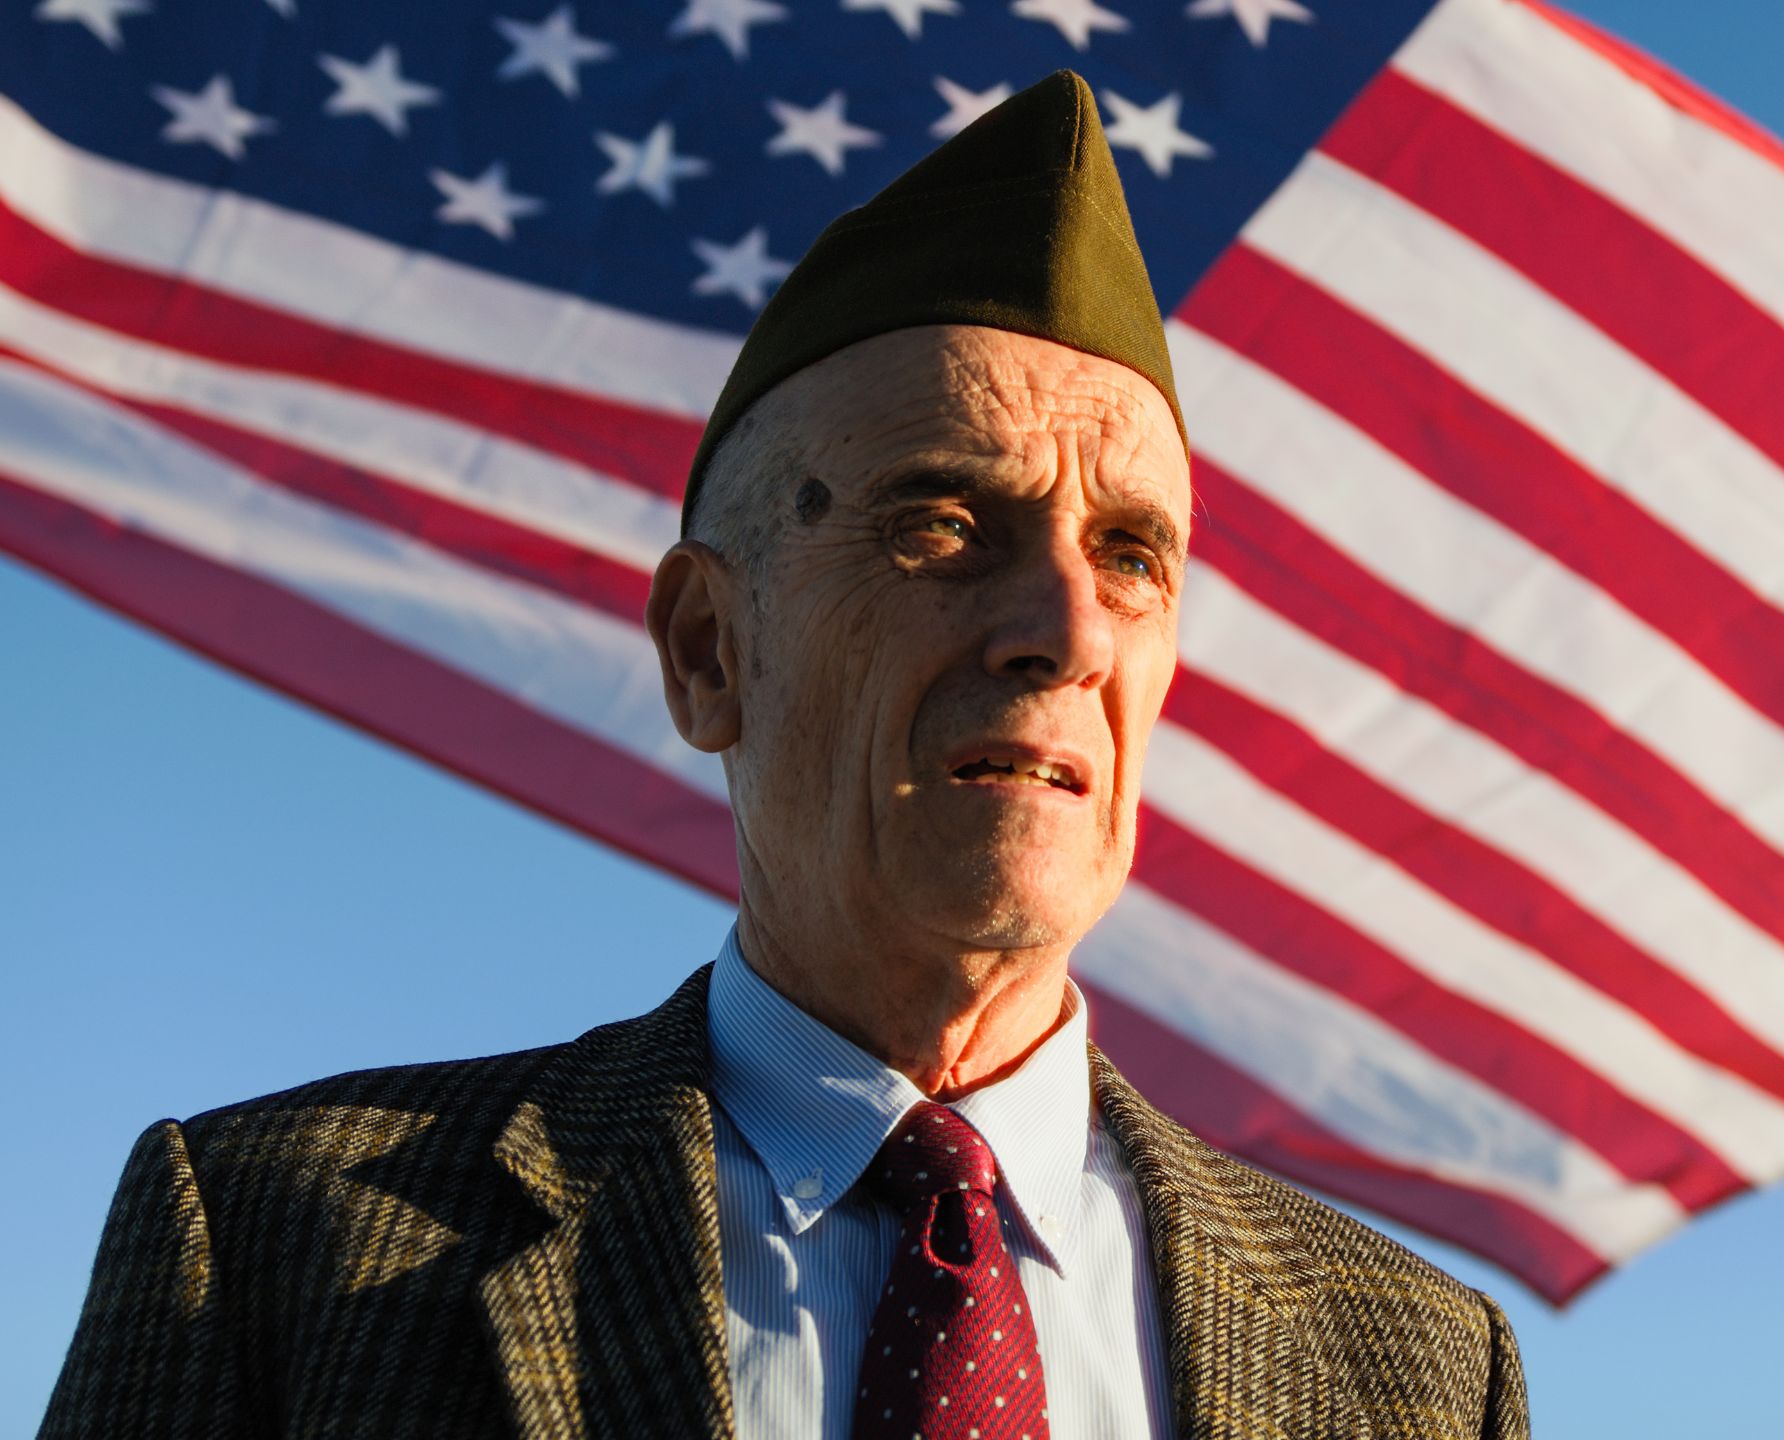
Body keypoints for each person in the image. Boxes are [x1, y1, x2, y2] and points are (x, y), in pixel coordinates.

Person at [40, 71, 1529, 1440]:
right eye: (943, 526)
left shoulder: (1420, 1369)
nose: (1067, 630)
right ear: (707, 648)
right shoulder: (269, 1246)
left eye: (1132, 556)